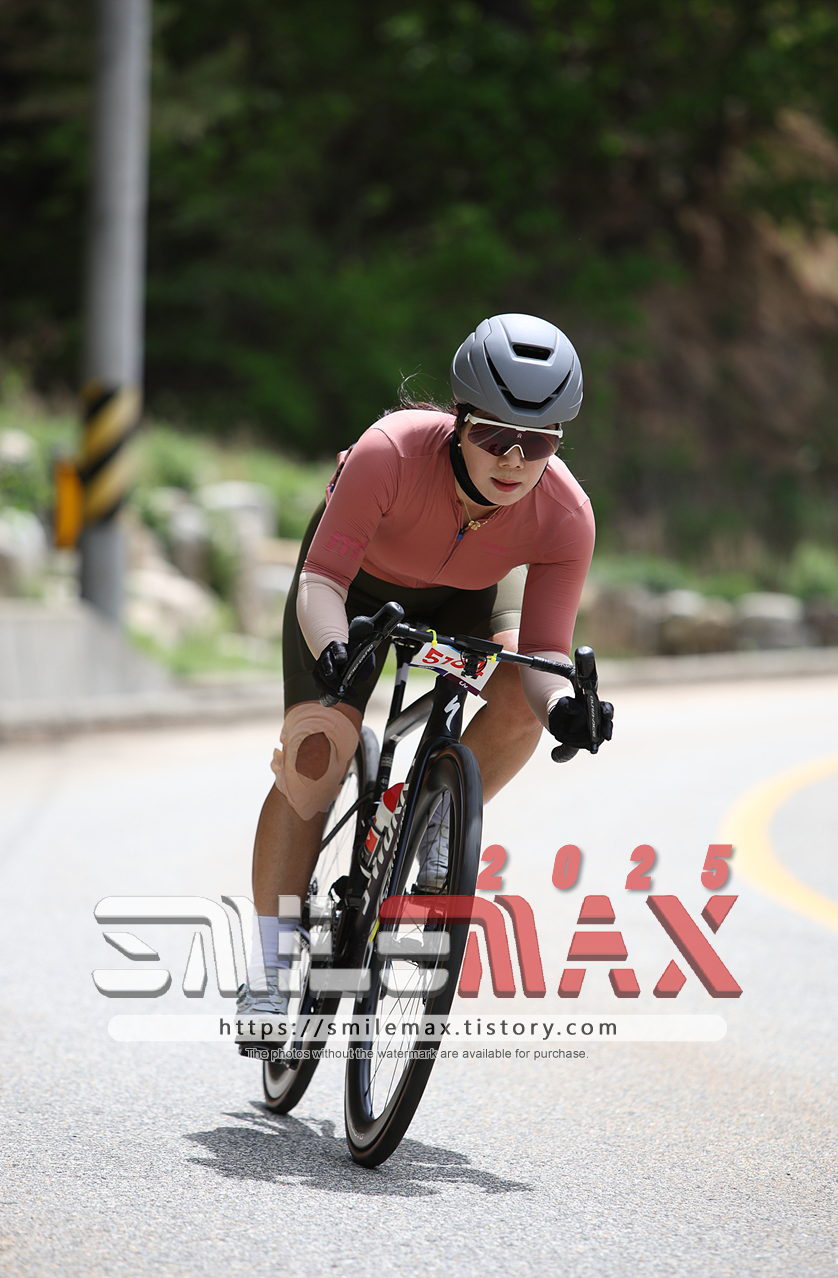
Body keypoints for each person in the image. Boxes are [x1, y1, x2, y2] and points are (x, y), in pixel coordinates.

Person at [236, 313, 614, 1051]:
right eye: (494, 436)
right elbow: (321, 581)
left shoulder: (566, 514)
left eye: (537, 443)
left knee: (526, 684)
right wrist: (335, 651)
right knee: (317, 751)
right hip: (352, 590)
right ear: (460, 420)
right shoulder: (390, 452)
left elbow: (545, 651)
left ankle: (438, 810)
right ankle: (273, 963)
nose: (514, 460)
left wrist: (566, 707)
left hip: (473, 596)